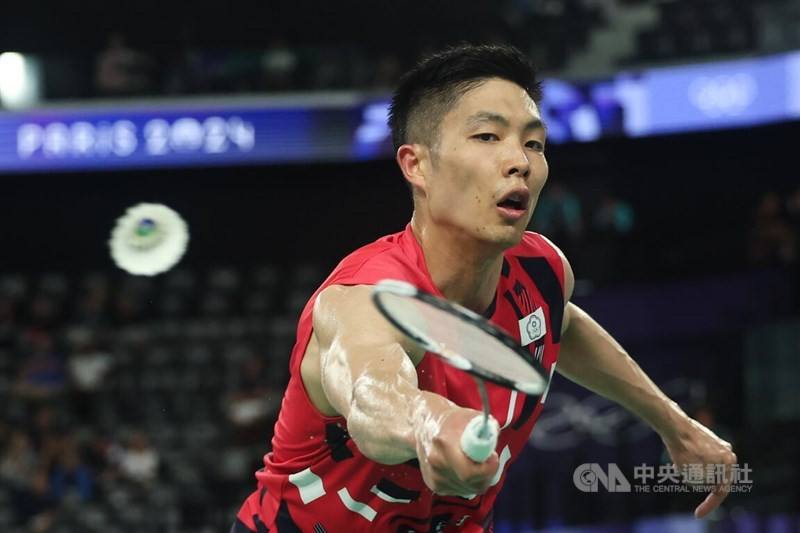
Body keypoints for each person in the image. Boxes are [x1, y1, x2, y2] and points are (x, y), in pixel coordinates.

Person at [232, 43, 736, 532]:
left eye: (534, 143)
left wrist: (675, 425)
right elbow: (371, 396)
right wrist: (431, 421)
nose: (520, 161)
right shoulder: (365, 297)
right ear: (416, 164)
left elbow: (560, 324)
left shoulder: (542, 271)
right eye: (488, 137)